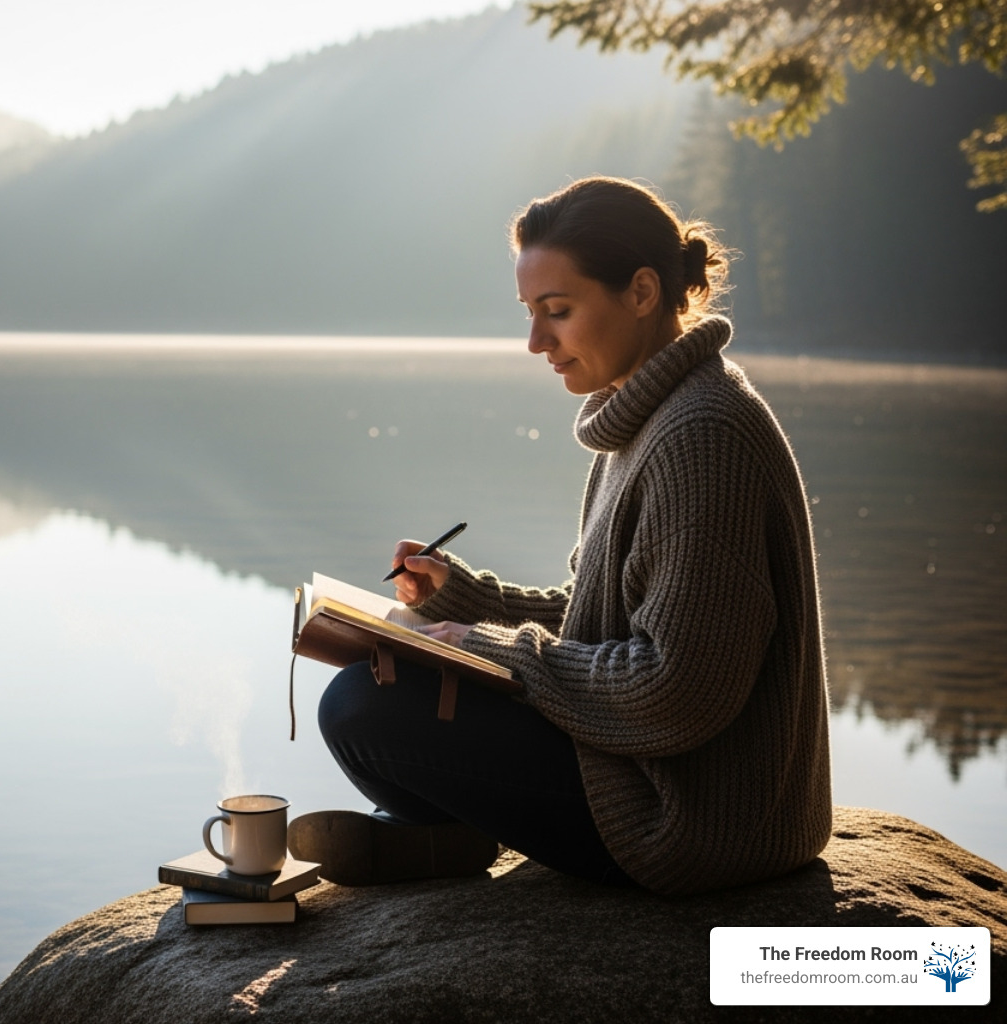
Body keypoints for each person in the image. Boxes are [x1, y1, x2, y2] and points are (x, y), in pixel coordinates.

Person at [289, 176, 832, 896]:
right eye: (530, 313)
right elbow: (605, 619)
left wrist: (487, 650)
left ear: (641, 292)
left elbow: (677, 690)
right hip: (656, 776)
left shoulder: (702, 436)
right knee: (378, 690)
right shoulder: (653, 417)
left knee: (362, 707)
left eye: (558, 312)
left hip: (694, 822)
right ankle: (440, 835)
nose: (536, 341)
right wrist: (469, 599)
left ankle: (439, 834)